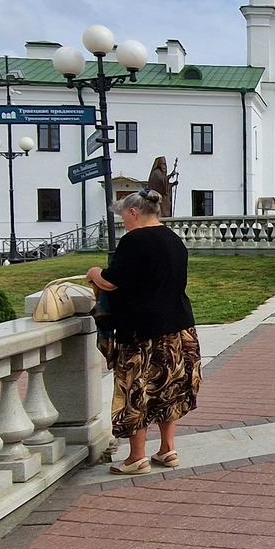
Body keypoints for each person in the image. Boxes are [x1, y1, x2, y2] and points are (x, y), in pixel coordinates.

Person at [87, 190, 200, 474]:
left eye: (123, 216)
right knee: (169, 388)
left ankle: (137, 457)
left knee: (136, 390)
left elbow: (112, 283)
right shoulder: (174, 240)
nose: (122, 222)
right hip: (178, 328)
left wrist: (93, 273)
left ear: (134, 213)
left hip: (140, 332)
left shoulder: (134, 240)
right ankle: (167, 449)